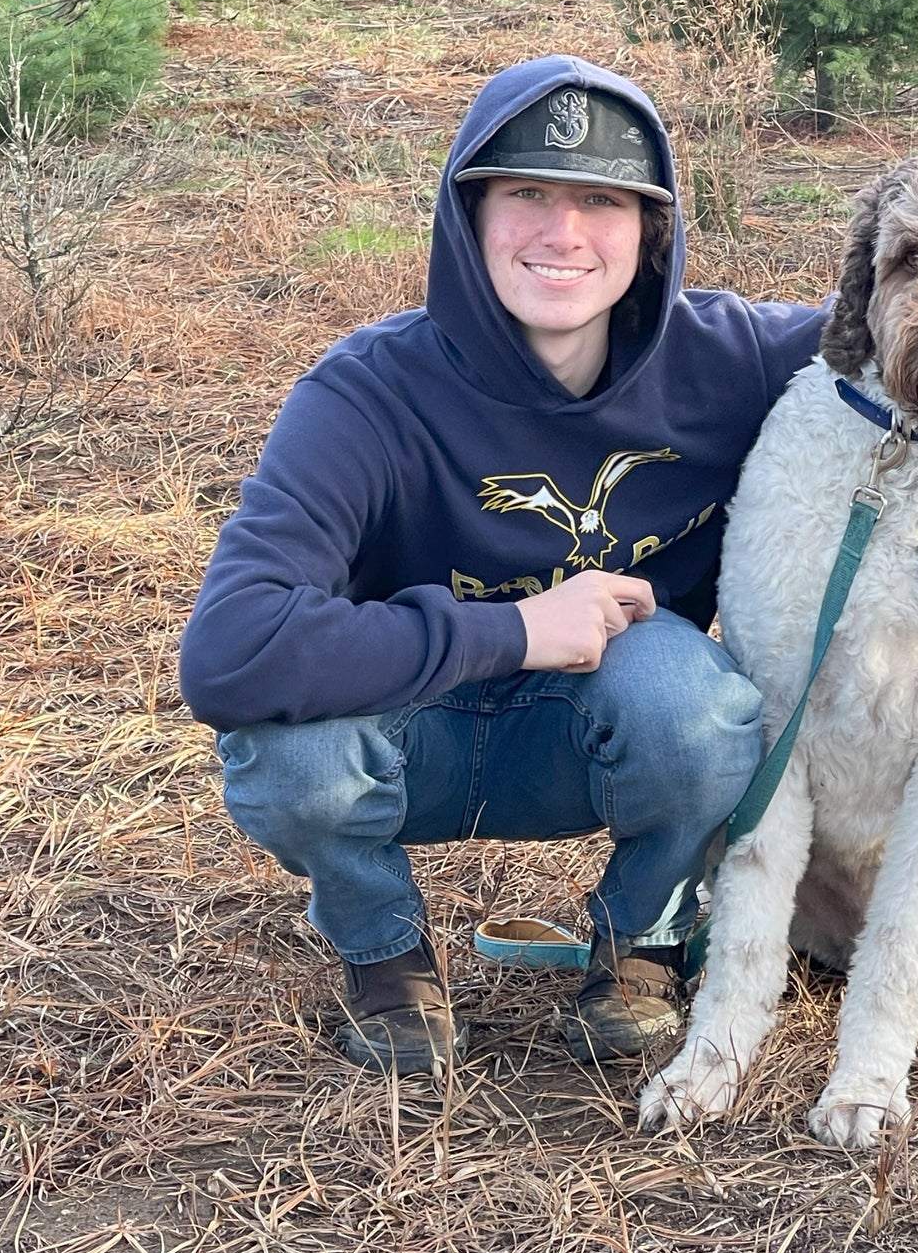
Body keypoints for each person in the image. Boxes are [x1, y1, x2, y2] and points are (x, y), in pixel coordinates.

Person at [180, 56, 826, 1075]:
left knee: (698, 708)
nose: (562, 234)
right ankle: (386, 956)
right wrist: (519, 630)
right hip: (404, 742)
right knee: (286, 752)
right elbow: (228, 653)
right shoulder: (364, 395)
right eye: (525, 193)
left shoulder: (730, 362)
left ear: (649, 229)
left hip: (606, 733)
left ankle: (642, 942)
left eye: (601, 201)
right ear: (466, 215)